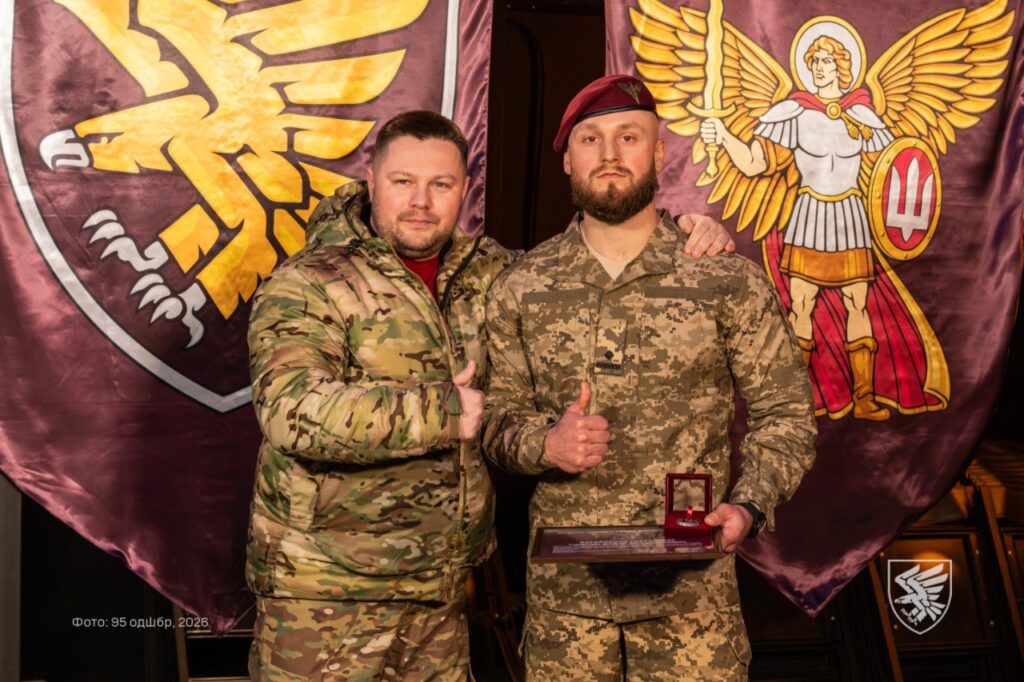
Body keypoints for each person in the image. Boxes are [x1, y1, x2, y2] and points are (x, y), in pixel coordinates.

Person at [245, 109, 736, 680]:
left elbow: (587, 267)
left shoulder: (491, 272)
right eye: (403, 182)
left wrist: (679, 233)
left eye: (441, 184)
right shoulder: (308, 281)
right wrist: (442, 411)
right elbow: (290, 410)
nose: (421, 201)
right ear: (372, 183)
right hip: (324, 592)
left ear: (465, 189)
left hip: (444, 589)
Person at [482, 75, 818, 680]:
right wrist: (545, 444)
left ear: (659, 153)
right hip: (568, 606)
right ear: (567, 160)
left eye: (629, 137)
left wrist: (748, 506)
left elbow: (787, 416)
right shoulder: (521, 286)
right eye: (591, 139)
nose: (609, 154)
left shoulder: (724, 279)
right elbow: (494, 420)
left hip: (692, 603)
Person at [700, 35, 894, 419]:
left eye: (826, 61)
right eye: (814, 61)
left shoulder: (862, 115)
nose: (819, 68)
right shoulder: (794, 113)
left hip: (851, 216)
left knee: (858, 303)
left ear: (842, 66)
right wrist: (723, 136)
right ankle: (796, 403)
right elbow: (755, 163)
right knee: (801, 305)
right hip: (810, 216)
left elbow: (896, 163)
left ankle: (864, 396)